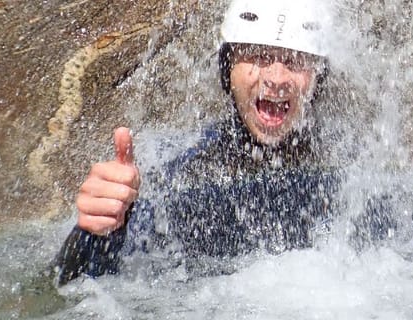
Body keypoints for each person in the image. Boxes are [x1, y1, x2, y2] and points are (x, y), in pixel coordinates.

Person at [53, 0, 341, 285]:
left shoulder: (352, 179)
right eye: (258, 55)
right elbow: (66, 291)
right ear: (228, 69)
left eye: (295, 59)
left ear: (318, 76)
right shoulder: (177, 172)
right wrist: (95, 232)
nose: (277, 78)